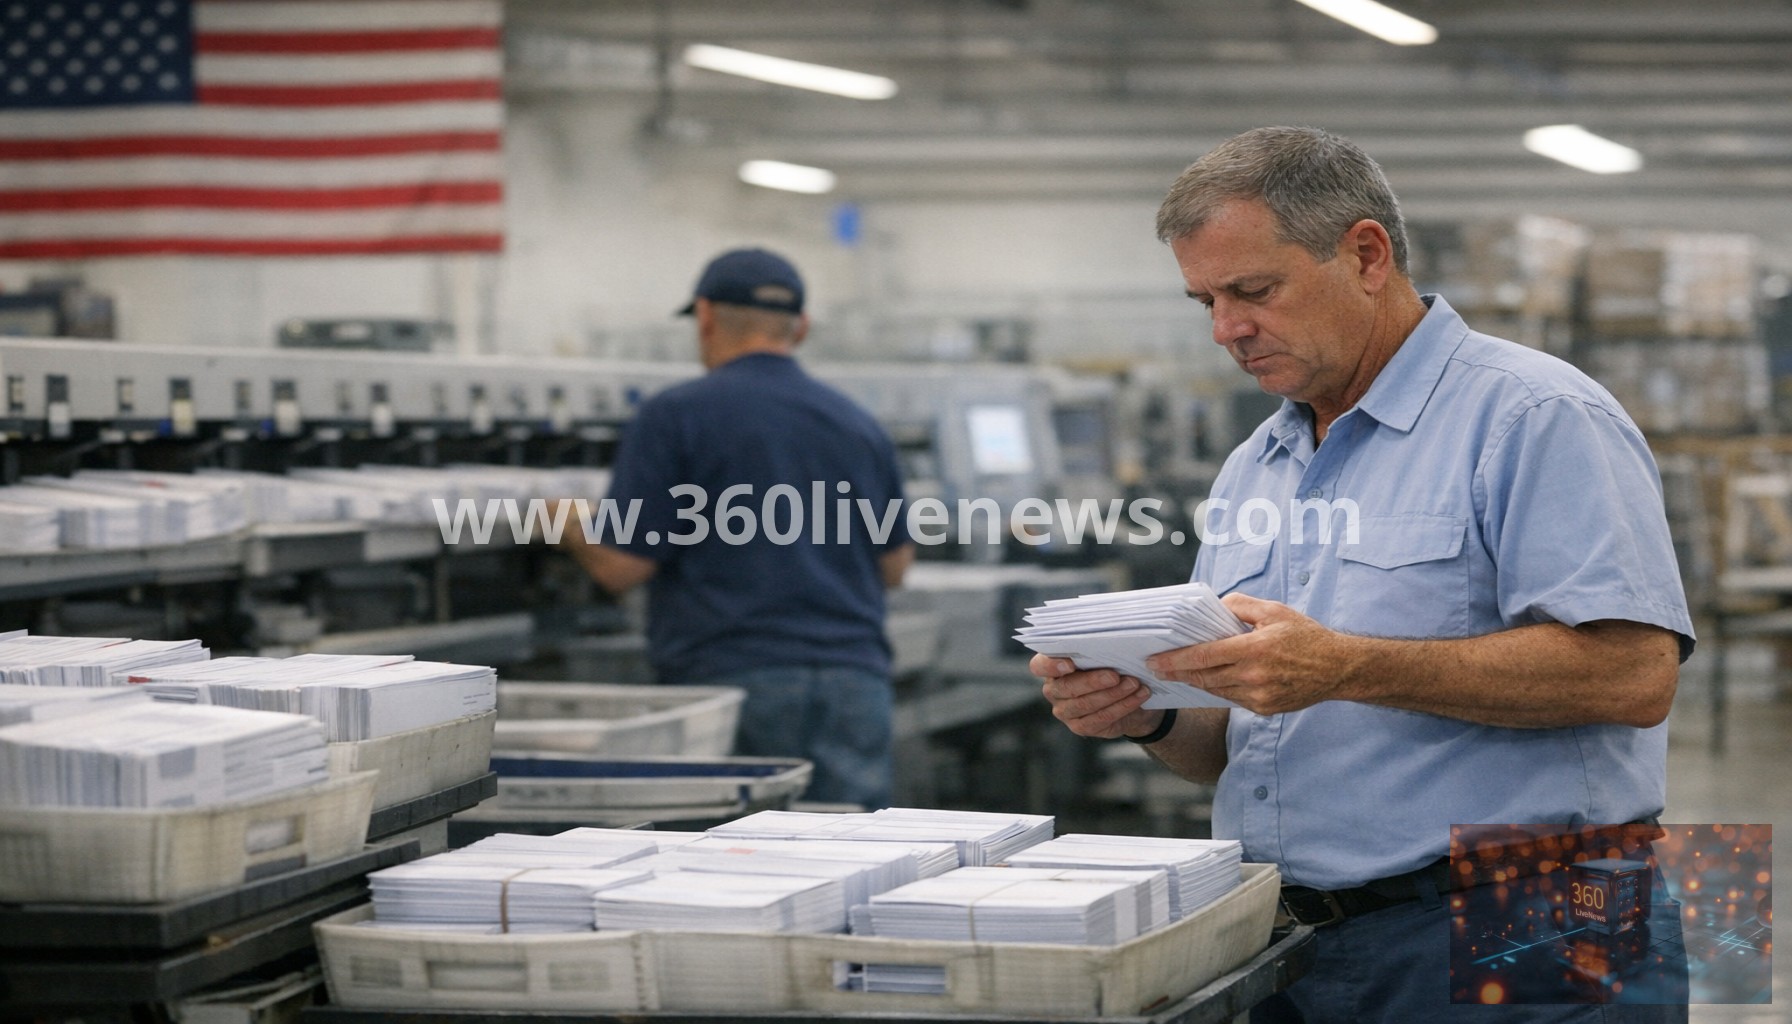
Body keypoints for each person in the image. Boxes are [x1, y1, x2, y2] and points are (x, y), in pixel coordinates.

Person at [1032, 127, 1694, 1023]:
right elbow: (1230, 752)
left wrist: (1348, 666)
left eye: (1252, 291)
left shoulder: (1538, 414)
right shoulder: (1254, 466)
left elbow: (1634, 674)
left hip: (1527, 921)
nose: (1228, 329)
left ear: (1367, 255)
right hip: (1295, 937)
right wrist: (1146, 713)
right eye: (1205, 303)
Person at [563, 247, 914, 810]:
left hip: (732, 683)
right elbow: (895, 569)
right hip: (854, 682)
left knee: (737, 870)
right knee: (848, 866)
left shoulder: (676, 415)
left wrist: (567, 523)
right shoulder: (856, 422)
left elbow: (621, 567)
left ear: (703, 316)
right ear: (801, 327)